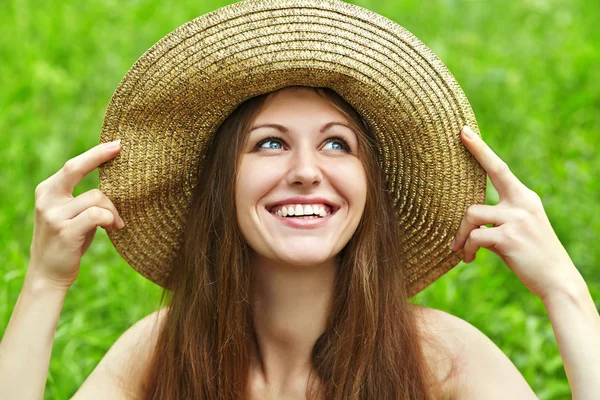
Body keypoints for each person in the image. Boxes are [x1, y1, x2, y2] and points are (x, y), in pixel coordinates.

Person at [1, 1, 599, 400]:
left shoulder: (442, 358)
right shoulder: (160, 350)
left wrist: (565, 292)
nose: (307, 172)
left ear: (372, 185)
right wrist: (45, 284)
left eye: (338, 144)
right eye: (269, 144)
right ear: (222, 185)